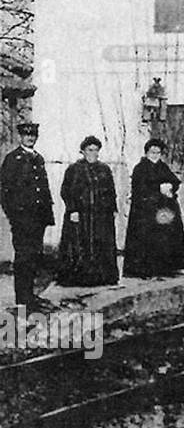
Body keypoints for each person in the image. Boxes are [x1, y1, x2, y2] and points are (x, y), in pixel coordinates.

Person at [0, 122, 55, 308]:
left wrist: (47, 215)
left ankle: (30, 294)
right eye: (26, 135)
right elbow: (5, 191)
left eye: (33, 135)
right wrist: (14, 216)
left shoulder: (38, 158)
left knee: (34, 256)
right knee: (23, 257)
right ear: (20, 137)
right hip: (23, 219)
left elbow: (42, 189)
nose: (30, 138)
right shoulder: (13, 159)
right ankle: (22, 299)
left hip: (38, 219)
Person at [56, 135, 119, 287]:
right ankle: (78, 278)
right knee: (78, 244)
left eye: (96, 150)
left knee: (101, 244)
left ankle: (102, 278)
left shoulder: (104, 169)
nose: (93, 153)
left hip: (100, 216)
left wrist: (113, 208)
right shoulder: (74, 169)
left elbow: (111, 191)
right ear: (83, 151)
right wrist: (72, 209)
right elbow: (66, 191)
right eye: (89, 150)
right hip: (80, 215)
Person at [123, 138, 184, 278]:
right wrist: (158, 189)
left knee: (166, 237)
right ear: (147, 153)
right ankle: (144, 269)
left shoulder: (162, 167)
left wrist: (170, 187)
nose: (155, 155)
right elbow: (140, 188)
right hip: (146, 209)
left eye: (158, 152)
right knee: (148, 238)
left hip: (162, 208)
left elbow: (174, 180)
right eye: (153, 152)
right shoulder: (140, 168)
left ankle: (166, 268)